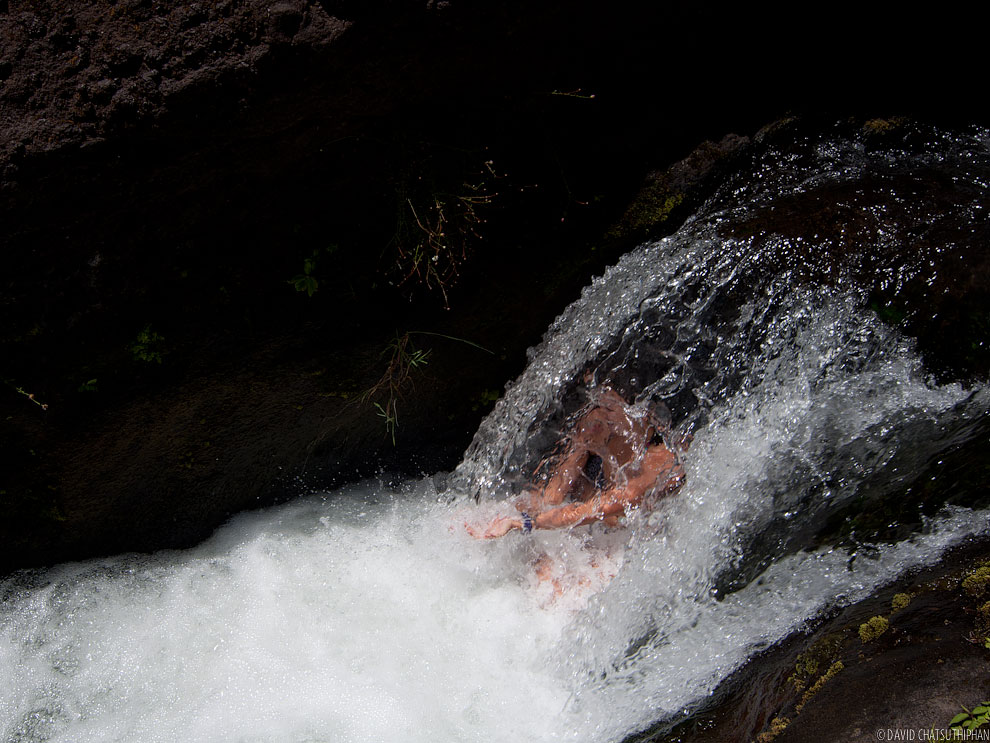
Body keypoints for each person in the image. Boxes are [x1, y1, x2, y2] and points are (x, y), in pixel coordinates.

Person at [466, 386, 686, 539]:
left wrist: (524, 522)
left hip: (644, 540)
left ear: (643, 416)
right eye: (596, 405)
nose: (598, 415)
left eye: (609, 408)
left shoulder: (661, 462)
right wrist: (496, 514)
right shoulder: (595, 443)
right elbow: (549, 498)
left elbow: (601, 507)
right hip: (602, 530)